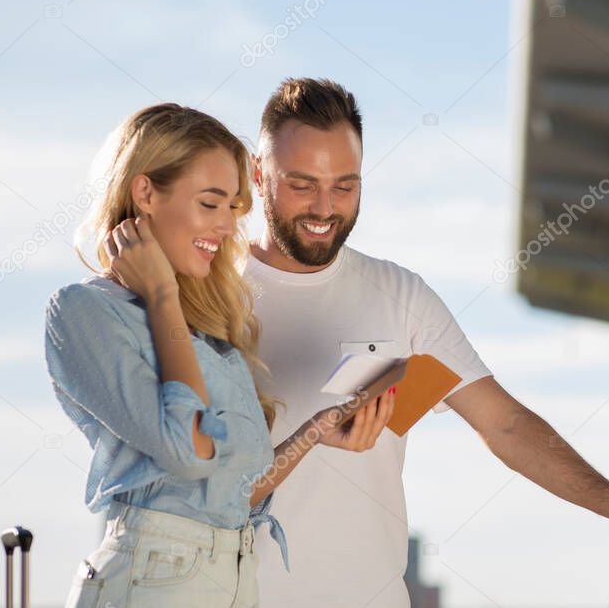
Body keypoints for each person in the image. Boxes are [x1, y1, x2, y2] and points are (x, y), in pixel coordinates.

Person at [248, 78, 609, 607]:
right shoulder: (206, 294)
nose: (324, 207)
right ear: (256, 173)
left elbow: (505, 424)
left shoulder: (399, 297)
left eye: (345, 185)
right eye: (301, 184)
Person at [44, 103, 395, 608]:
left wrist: (316, 431)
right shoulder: (85, 312)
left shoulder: (204, 326)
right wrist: (162, 295)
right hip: (151, 580)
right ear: (145, 193)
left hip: (233, 577)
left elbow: (235, 492)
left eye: (233, 208)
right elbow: (190, 452)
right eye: (210, 204)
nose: (229, 227)